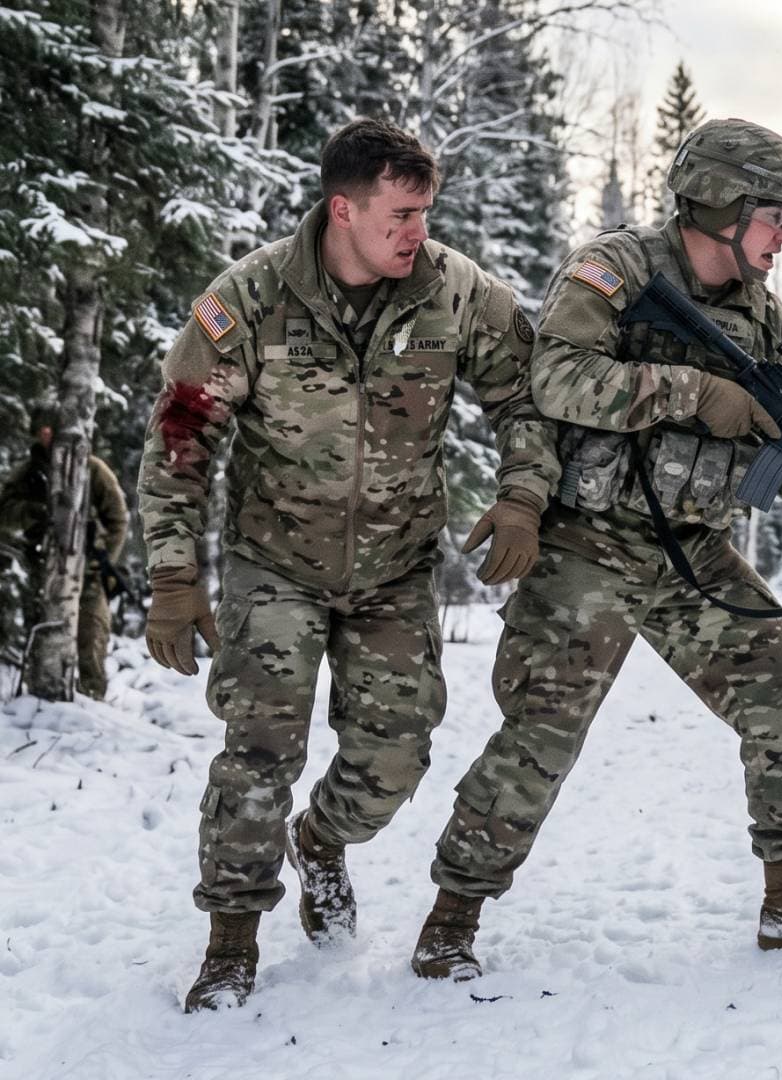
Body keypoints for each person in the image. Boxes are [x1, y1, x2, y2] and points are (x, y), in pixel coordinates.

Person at [411, 118, 782, 981]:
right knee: (544, 731)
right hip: (590, 540)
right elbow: (555, 379)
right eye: (774, 217)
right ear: (723, 206)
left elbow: (762, 453)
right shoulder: (618, 269)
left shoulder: (761, 312)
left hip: (693, 549)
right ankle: (449, 923)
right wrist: (691, 391)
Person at [138, 118, 558, 1012]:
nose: (418, 232)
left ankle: (322, 839)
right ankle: (231, 942)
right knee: (259, 750)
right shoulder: (249, 298)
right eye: (401, 215)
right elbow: (180, 436)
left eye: (426, 212)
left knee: (395, 757)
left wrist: (523, 494)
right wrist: (174, 576)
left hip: (395, 569)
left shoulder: (455, 290)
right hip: (274, 563)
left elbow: (525, 397)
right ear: (343, 210)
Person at [0, 405, 129, 700]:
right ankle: (41, 702)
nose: (46, 433)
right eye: (41, 428)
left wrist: (101, 560)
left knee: (91, 641)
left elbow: (118, 520)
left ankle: (92, 704)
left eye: (51, 427)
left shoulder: (91, 469)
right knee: (42, 641)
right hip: (42, 569)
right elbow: (4, 513)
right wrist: (33, 513)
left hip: (89, 574)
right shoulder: (28, 472)